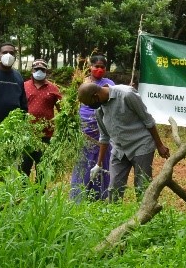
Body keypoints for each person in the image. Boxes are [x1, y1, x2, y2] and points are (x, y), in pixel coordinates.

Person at [79, 80, 170, 201]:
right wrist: (98, 164)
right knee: (114, 189)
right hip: (119, 150)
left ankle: (145, 217)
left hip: (140, 145)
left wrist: (160, 145)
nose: (90, 107)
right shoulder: (99, 109)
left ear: (95, 96)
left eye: (89, 103)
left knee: (142, 187)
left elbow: (148, 120)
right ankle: (114, 218)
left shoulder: (126, 94)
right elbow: (104, 137)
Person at [70, 54, 114, 200]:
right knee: (82, 165)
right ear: (90, 67)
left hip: (104, 132)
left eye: (102, 67)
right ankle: (78, 198)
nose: (99, 69)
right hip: (84, 132)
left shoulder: (109, 84)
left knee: (102, 165)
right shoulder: (81, 82)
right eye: (96, 66)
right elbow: (73, 104)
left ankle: (99, 198)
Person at [20, 59, 63, 177]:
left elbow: (62, 109)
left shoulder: (53, 88)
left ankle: (40, 193)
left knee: (42, 168)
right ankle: (22, 193)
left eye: (42, 69)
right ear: (32, 70)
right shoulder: (23, 86)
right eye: (36, 69)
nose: (39, 71)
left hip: (46, 135)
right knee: (24, 167)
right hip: (26, 135)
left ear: (46, 71)